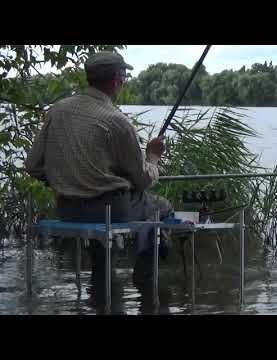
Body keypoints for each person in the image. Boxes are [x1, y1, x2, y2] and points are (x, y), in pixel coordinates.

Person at [25, 51, 172, 285]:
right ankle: (145, 283)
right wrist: (153, 156)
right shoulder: (118, 122)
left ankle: (101, 284)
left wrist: (65, 179)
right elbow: (143, 180)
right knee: (162, 207)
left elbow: (33, 165)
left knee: (105, 234)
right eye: (124, 76)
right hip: (111, 210)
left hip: (66, 210)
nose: (124, 81)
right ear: (116, 80)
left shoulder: (56, 110)